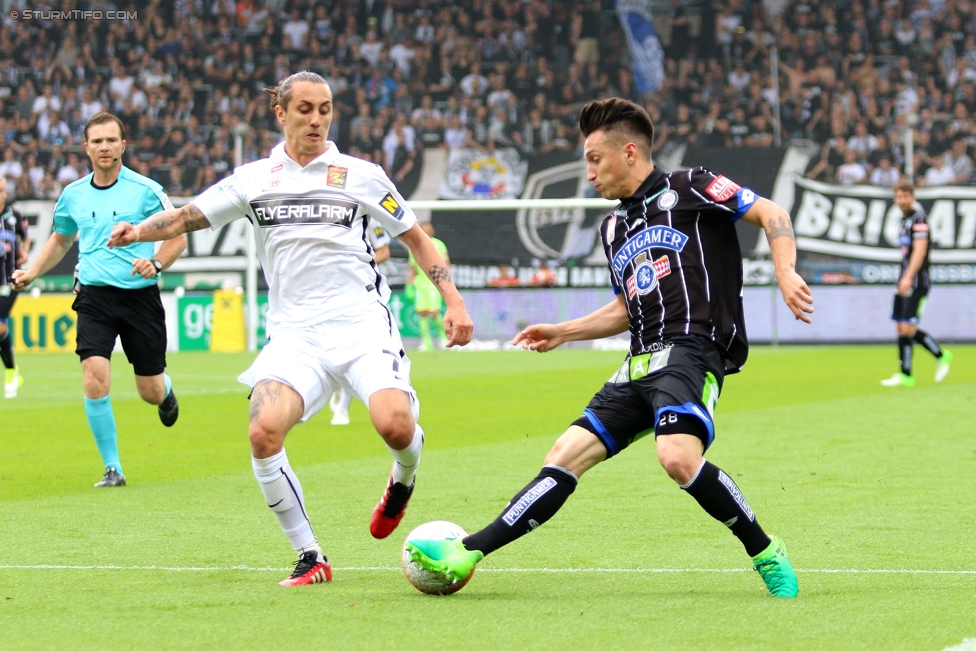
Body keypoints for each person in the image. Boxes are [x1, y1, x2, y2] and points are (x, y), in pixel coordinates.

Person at [407, 98, 814, 599]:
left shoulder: (691, 186)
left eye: (594, 159)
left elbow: (772, 212)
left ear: (628, 152)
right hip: (638, 361)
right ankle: (469, 550)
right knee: (563, 455)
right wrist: (564, 331)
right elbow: (627, 307)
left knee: (677, 457)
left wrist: (784, 269)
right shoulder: (613, 227)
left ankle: (766, 551)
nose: (589, 173)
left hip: (692, 349)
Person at [107, 72, 474, 587]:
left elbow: (416, 238)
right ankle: (310, 555)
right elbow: (189, 216)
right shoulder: (254, 179)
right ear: (280, 114)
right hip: (295, 335)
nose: (316, 119)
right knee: (262, 431)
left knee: (395, 427)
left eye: (324, 109)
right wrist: (139, 232)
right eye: (305, 109)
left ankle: (403, 477)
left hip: (362, 325)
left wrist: (453, 301)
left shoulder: (360, 174)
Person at [12, 112, 184, 487]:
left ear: (123, 145)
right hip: (93, 297)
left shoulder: (145, 190)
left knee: (149, 390)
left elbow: (178, 235)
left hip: (140, 298)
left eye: (111, 140)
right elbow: (60, 239)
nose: (105, 147)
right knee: (94, 377)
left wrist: (155, 263)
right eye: (97, 141)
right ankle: (113, 468)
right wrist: (32, 272)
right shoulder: (73, 195)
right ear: (86, 147)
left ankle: (166, 392)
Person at [881, 181, 952, 387]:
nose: (901, 200)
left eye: (905, 196)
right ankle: (906, 374)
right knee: (901, 327)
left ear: (913, 197)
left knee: (909, 328)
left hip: (917, 282)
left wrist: (908, 276)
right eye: (898, 196)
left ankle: (941, 355)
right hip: (904, 279)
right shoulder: (903, 221)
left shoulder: (919, 219)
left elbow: (920, 251)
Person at [329, 220, 392, 426]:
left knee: (355, 349)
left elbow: (384, 251)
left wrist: (358, 266)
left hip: (362, 294)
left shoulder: (369, 219)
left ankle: (342, 409)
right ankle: (335, 386)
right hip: (327, 293)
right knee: (334, 349)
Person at [0, 177, 30, 398]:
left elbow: (25, 238)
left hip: (10, 279)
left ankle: (11, 372)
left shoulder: (16, 216)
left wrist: (25, 252)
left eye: (1, 190)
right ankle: (12, 371)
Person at [407, 221, 450, 352]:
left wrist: (446, 282)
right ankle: (426, 343)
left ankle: (444, 338)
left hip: (434, 284)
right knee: (423, 313)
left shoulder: (439, 245)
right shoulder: (414, 245)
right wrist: (409, 284)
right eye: (423, 229)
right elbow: (413, 267)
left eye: (428, 229)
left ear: (432, 230)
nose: (426, 231)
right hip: (420, 285)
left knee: (434, 312)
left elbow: (446, 264)